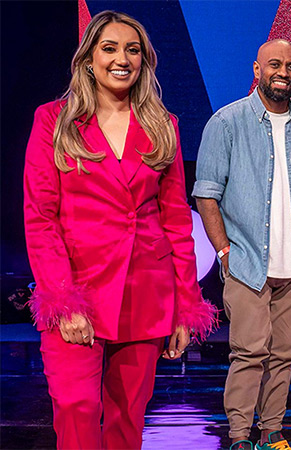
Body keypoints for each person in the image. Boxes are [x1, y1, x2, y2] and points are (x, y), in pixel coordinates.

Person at [22, 10, 217, 449]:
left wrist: (186, 305)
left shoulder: (162, 125)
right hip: (78, 291)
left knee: (128, 418)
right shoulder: (53, 122)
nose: (121, 58)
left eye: (132, 50)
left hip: (145, 293)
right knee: (77, 409)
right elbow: (40, 217)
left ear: (144, 61)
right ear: (88, 58)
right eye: (109, 48)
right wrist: (62, 299)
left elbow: (174, 222)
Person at [193, 39, 291, 450]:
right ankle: (238, 437)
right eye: (274, 64)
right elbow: (206, 193)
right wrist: (224, 252)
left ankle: (272, 433)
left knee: (284, 356)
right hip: (247, 262)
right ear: (257, 70)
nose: (283, 72)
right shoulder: (227, 122)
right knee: (249, 353)